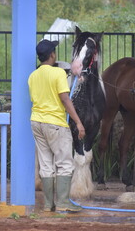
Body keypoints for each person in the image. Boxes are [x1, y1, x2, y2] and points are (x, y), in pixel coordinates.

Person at [28, 39, 85, 212]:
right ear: (52, 54)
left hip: (36, 122)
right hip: (55, 124)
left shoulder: (33, 75)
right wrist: (78, 122)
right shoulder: (58, 73)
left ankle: (48, 204)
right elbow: (65, 99)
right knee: (65, 163)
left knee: (45, 164)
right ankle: (62, 202)